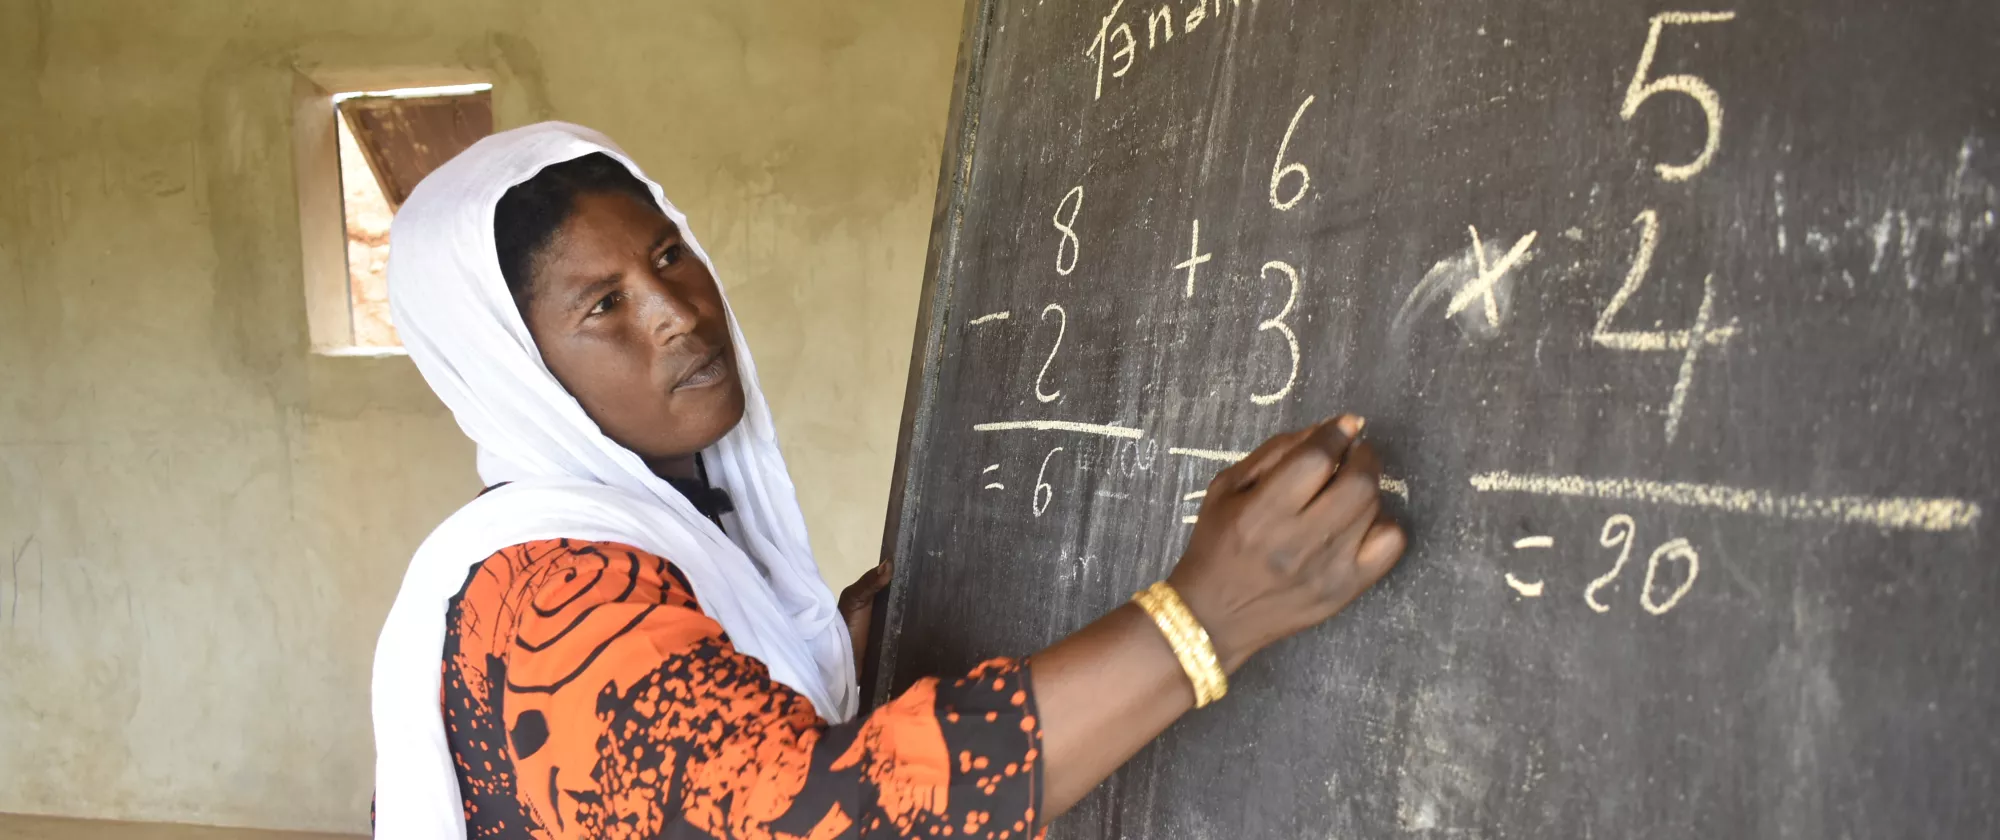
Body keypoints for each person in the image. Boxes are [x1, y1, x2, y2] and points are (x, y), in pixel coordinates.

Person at [371, 122, 1406, 840]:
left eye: (670, 255)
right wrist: (1206, 618)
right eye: (602, 306)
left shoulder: (667, 526)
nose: (677, 313)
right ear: (511, 371)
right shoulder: (546, 590)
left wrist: (822, 656)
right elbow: (811, 817)